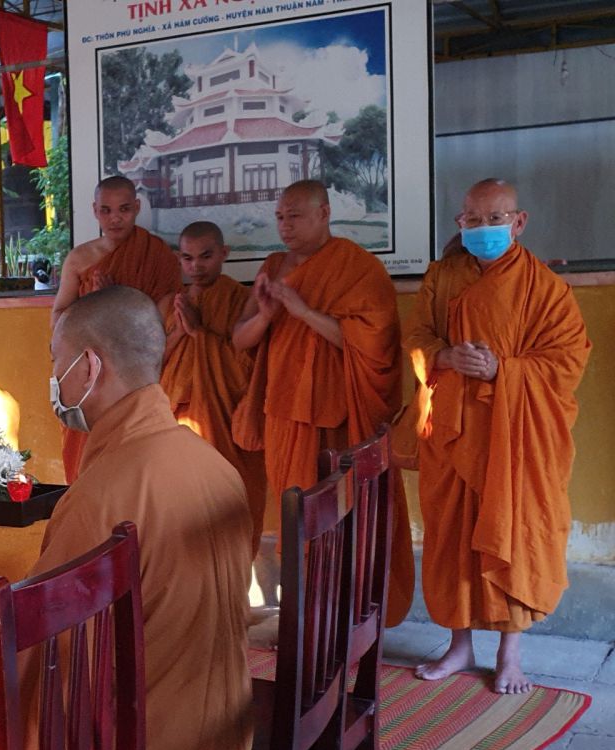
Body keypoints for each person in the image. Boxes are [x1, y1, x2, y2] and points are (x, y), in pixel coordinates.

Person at [40, 285, 254, 750]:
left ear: (90, 367)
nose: (54, 378)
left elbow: (50, 658)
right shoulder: (217, 467)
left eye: (57, 362)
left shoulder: (100, 497)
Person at [406, 179, 590, 694]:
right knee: (452, 539)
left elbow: (566, 362)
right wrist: (445, 356)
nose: (484, 228)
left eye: (496, 219)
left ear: (519, 222)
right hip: (452, 432)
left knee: (514, 533)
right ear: (460, 222)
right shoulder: (442, 277)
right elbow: (416, 336)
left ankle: (510, 654)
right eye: (474, 219)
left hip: (517, 437)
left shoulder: (546, 289)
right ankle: (459, 646)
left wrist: (501, 372)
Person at [230, 179, 414, 625]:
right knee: (295, 517)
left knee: (341, 516)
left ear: (325, 213)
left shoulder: (359, 269)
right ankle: (306, 617)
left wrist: (303, 311)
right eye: (280, 217)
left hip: (338, 418)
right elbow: (239, 339)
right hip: (284, 413)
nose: (285, 226)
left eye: (295, 216)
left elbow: (371, 347)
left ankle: (346, 618)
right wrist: (268, 316)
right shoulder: (274, 266)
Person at [52, 176, 182, 482]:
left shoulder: (157, 257)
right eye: (106, 210)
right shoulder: (79, 259)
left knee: (136, 461)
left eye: (124, 209)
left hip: (136, 374)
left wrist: (110, 301)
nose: (115, 218)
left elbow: (156, 327)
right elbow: (59, 315)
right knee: (86, 460)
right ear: (95, 211)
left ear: (136, 208)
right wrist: (95, 306)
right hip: (87, 373)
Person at [158, 222, 267, 565]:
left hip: (225, 423)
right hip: (178, 423)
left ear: (224, 254)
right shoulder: (170, 304)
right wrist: (181, 333)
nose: (196, 266)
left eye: (205, 256)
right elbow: (150, 363)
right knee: (182, 511)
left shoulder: (241, 301)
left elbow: (249, 369)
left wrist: (200, 334)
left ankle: (231, 584)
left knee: (229, 508)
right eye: (187, 258)